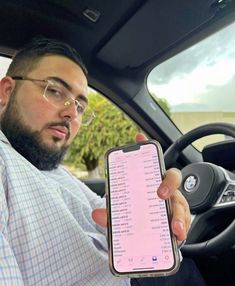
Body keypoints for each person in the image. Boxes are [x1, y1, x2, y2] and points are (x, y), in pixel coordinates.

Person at [0, 37, 193, 286]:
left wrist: (158, 219)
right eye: (55, 91)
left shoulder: (54, 170)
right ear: (6, 91)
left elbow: (107, 224)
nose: (71, 113)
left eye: (80, 106)